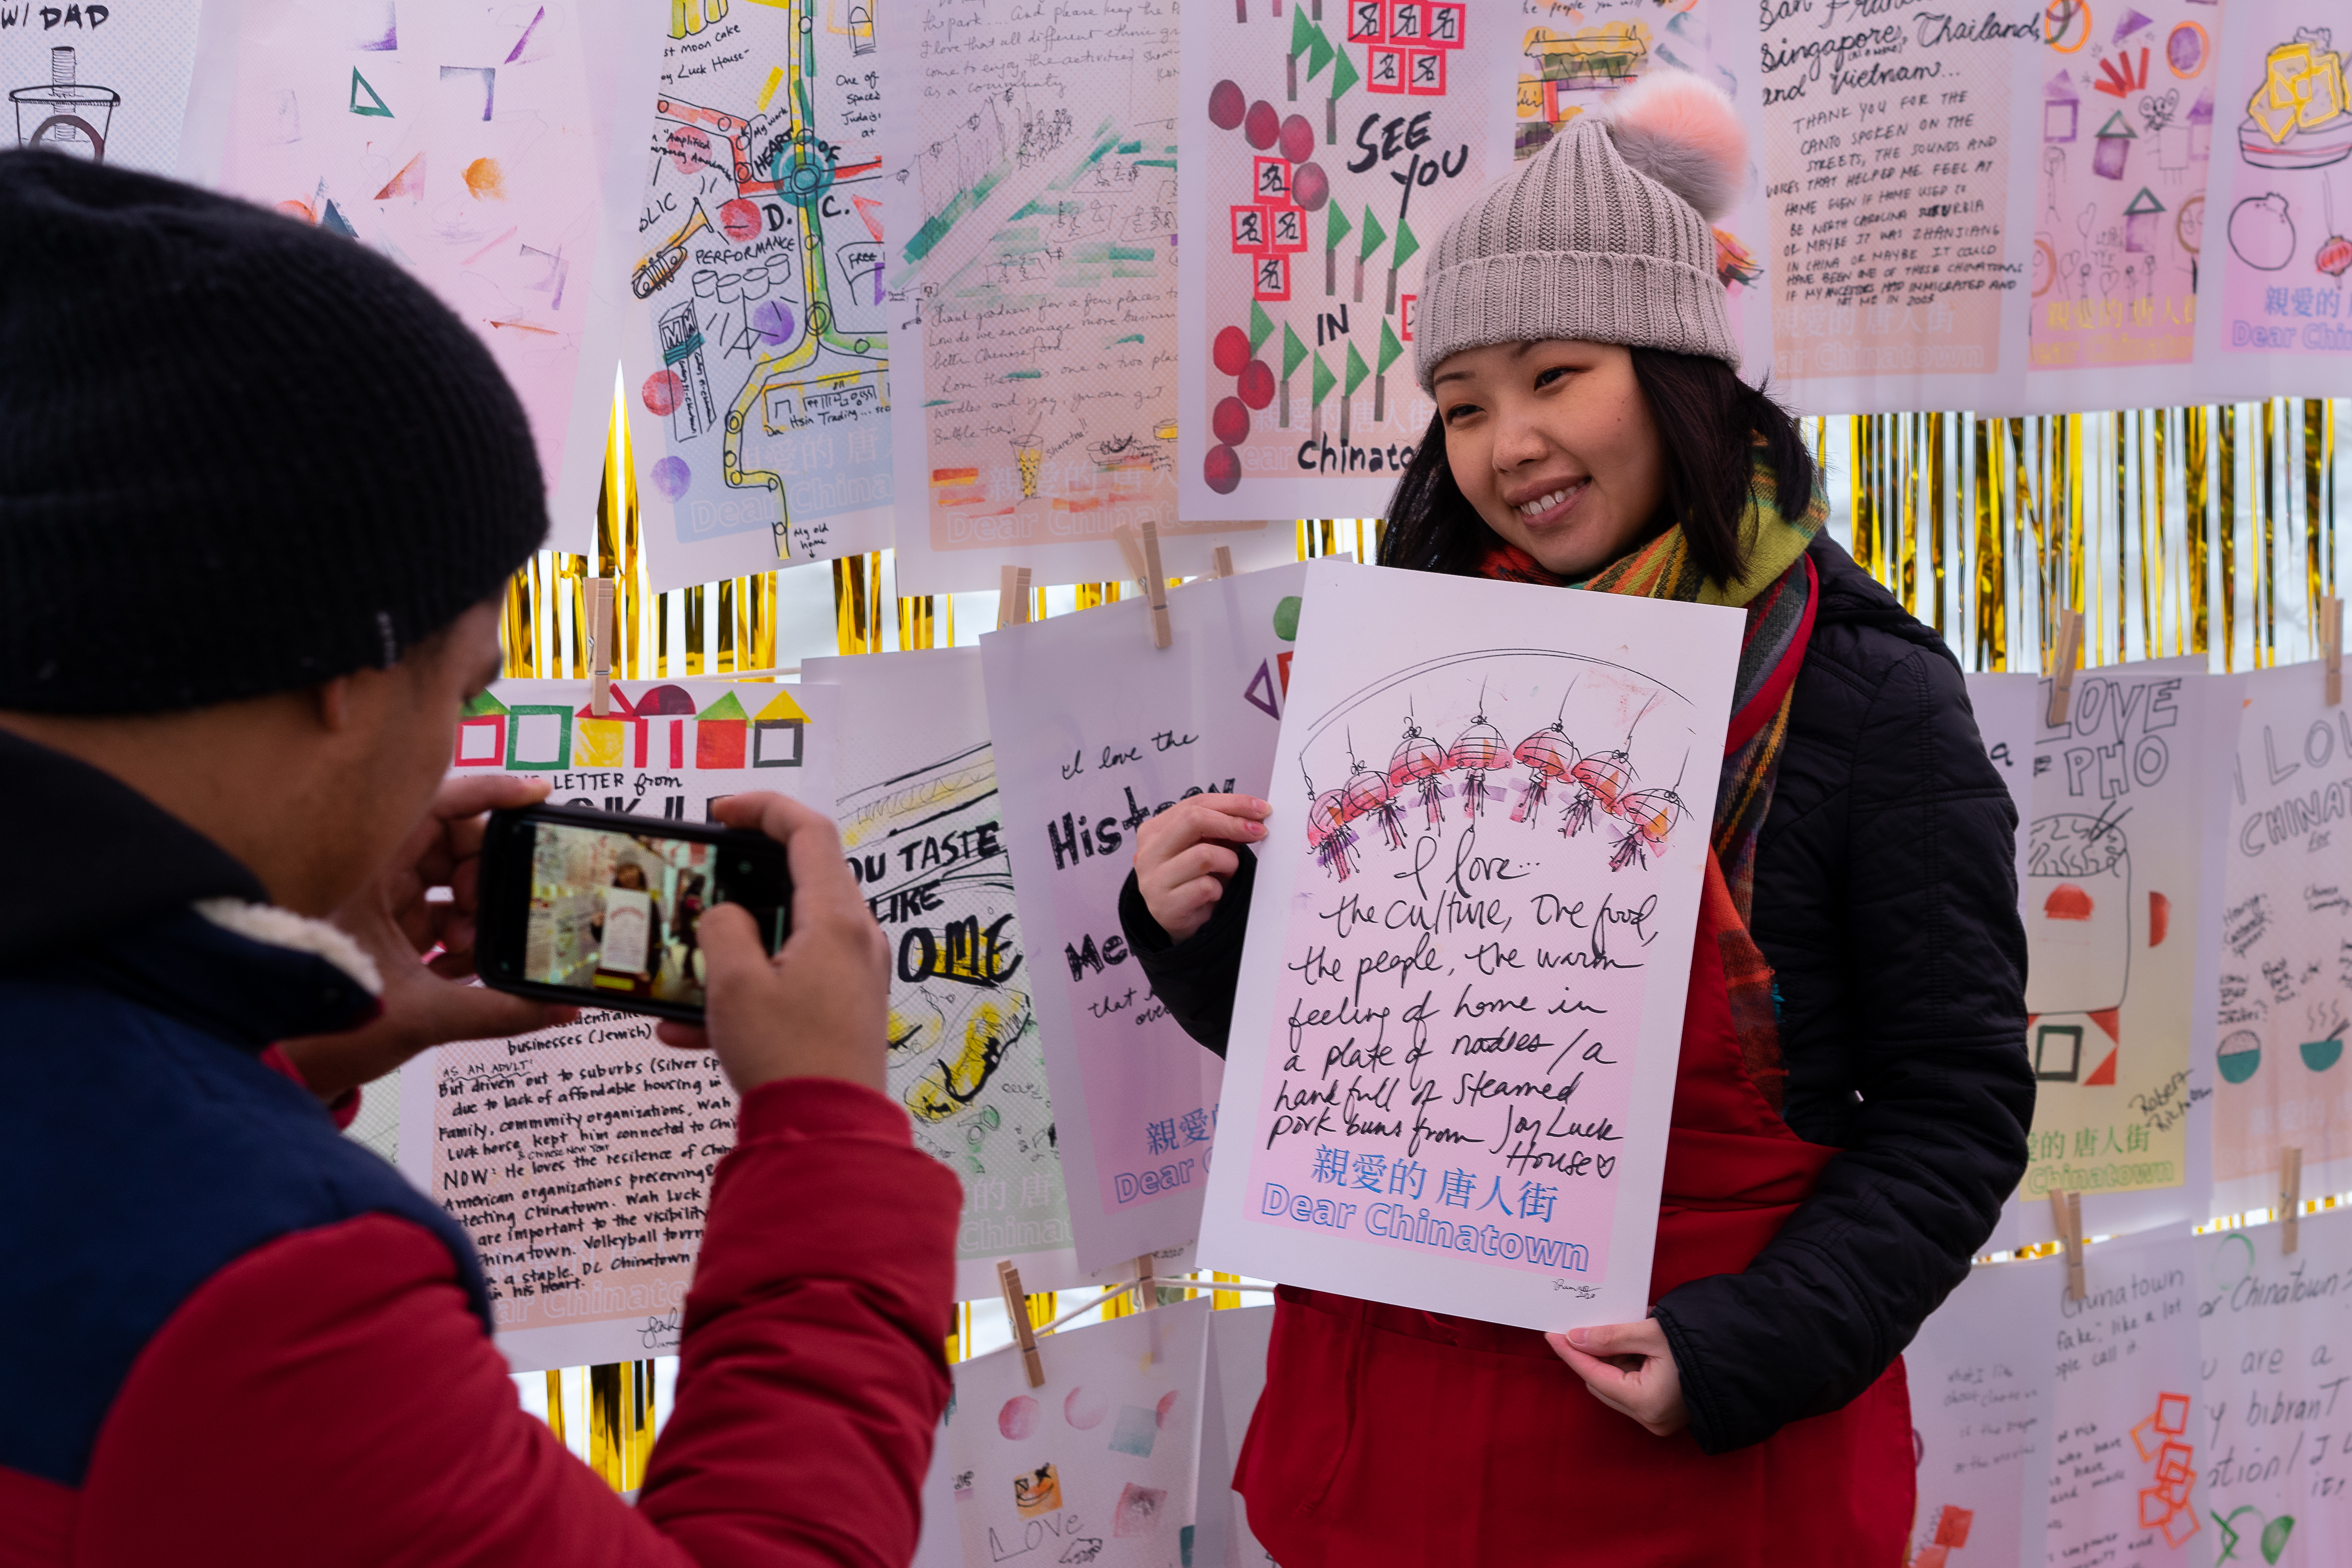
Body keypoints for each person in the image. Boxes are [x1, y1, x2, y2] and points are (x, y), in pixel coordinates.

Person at [1118, 73, 2031, 1563]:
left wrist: (1742, 1349)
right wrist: (1193, 927)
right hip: (1383, 1463)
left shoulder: (1866, 702)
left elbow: (1956, 1114)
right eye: (1464, 405)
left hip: (1691, 1480)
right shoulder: (1417, 662)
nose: (1506, 443)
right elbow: (1356, 1052)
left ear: (1679, 373)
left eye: (1556, 376)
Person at [0, 150, 957, 1565]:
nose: (462, 736)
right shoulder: (267, 1289)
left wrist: (282, 1055)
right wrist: (826, 1137)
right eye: (468, 684)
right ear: (345, 666)